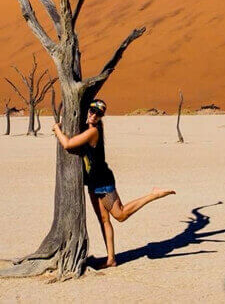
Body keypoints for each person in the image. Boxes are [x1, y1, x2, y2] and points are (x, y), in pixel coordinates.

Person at [52, 99, 176, 269]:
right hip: (93, 183)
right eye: (92, 110)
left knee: (121, 215)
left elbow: (67, 144)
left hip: (103, 181)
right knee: (104, 220)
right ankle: (111, 259)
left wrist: (56, 128)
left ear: (101, 116)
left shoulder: (93, 131)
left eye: (98, 113)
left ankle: (153, 195)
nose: (94, 115)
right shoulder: (86, 127)